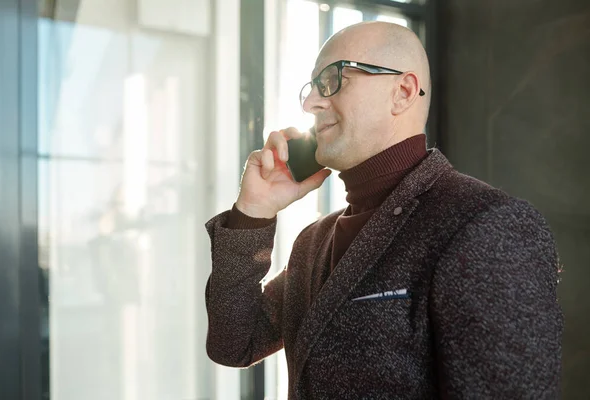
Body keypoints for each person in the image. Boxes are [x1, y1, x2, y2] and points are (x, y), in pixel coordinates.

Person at [204, 21, 563, 399]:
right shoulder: (313, 242)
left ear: (402, 92)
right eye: (311, 88)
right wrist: (252, 214)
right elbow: (233, 343)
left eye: (332, 79)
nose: (310, 104)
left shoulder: (485, 226)